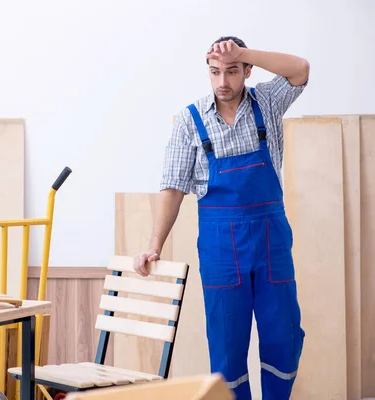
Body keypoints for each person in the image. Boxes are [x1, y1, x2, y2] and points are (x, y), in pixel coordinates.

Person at [133, 36, 309, 400]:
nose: (222, 82)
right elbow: (173, 186)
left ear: (247, 70)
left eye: (231, 71)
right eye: (214, 72)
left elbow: (301, 70)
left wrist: (241, 52)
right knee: (227, 343)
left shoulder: (268, 103)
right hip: (220, 246)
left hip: (270, 238)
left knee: (285, 335)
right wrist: (154, 246)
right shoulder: (190, 120)